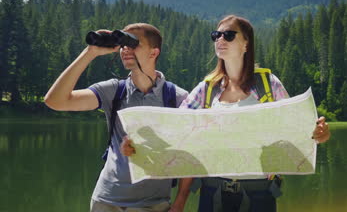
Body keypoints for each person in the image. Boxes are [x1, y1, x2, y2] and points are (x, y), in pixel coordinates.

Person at [122, 16, 330, 212]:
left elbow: (298, 128)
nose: (220, 39)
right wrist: (137, 145)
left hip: (260, 192)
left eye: (229, 35)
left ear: (246, 44)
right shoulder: (207, 88)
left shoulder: (268, 84)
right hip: (213, 190)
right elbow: (175, 130)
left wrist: (319, 134)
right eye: (216, 35)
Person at [44, 23, 192, 212]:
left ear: (153, 53)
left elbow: (189, 155)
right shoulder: (114, 90)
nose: (125, 49)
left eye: (133, 43)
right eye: (123, 44)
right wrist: (90, 52)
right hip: (106, 201)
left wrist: (180, 202)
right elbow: (56, 101)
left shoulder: (177, 98)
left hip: (153, 205)